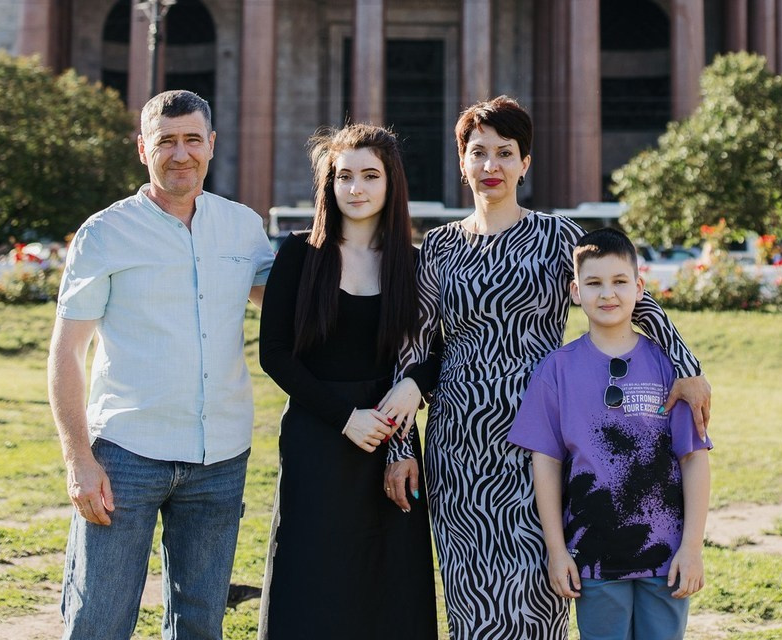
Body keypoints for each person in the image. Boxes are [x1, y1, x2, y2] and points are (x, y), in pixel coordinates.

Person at [383, 95, 710, 640]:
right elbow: (413, 349)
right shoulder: (437, 247)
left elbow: (635, 300)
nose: (492, 167)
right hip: (461, 446)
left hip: (551, 440)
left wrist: (686, 365)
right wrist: (400, 448)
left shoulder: (558, 239)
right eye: (479, 152)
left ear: (525, 163)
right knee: (472, 598)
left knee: (545, 587)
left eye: (505, 153)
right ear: (461, 160)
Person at [46, 89, 274, 640]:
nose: (180, 154)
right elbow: (66, 353)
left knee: (200, 624)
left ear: (211, 145)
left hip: (220, 457)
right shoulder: (104, 233)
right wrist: (78, 458)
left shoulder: (242, 226)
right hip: (125, 456)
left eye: (192, 139)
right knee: (98, 621)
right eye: (165, 141)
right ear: (142, 149)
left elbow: (294, 304)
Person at [256, 124, 438, 640]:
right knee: (313, 573)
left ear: (391, 182)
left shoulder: (415, 262)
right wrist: (344, 419)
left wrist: (413, 387)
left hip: (391, 435)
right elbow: (276, 356)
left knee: (390, 577)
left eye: (370, 175)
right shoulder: (299, 254)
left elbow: (439, 347)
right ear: (328, 185)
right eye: (344, 176)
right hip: (319, 431)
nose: (356, 188)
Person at [509, 227, 712, 640]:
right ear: (575, 290)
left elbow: (694, 459)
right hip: (593, 555)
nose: (608, 294)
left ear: (639, 287)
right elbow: (545, 464)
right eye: (594, 283)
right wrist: (557, 550)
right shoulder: (556, 371)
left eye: (620, 282)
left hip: (666, 557)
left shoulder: (669, 369)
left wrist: (692, 548)